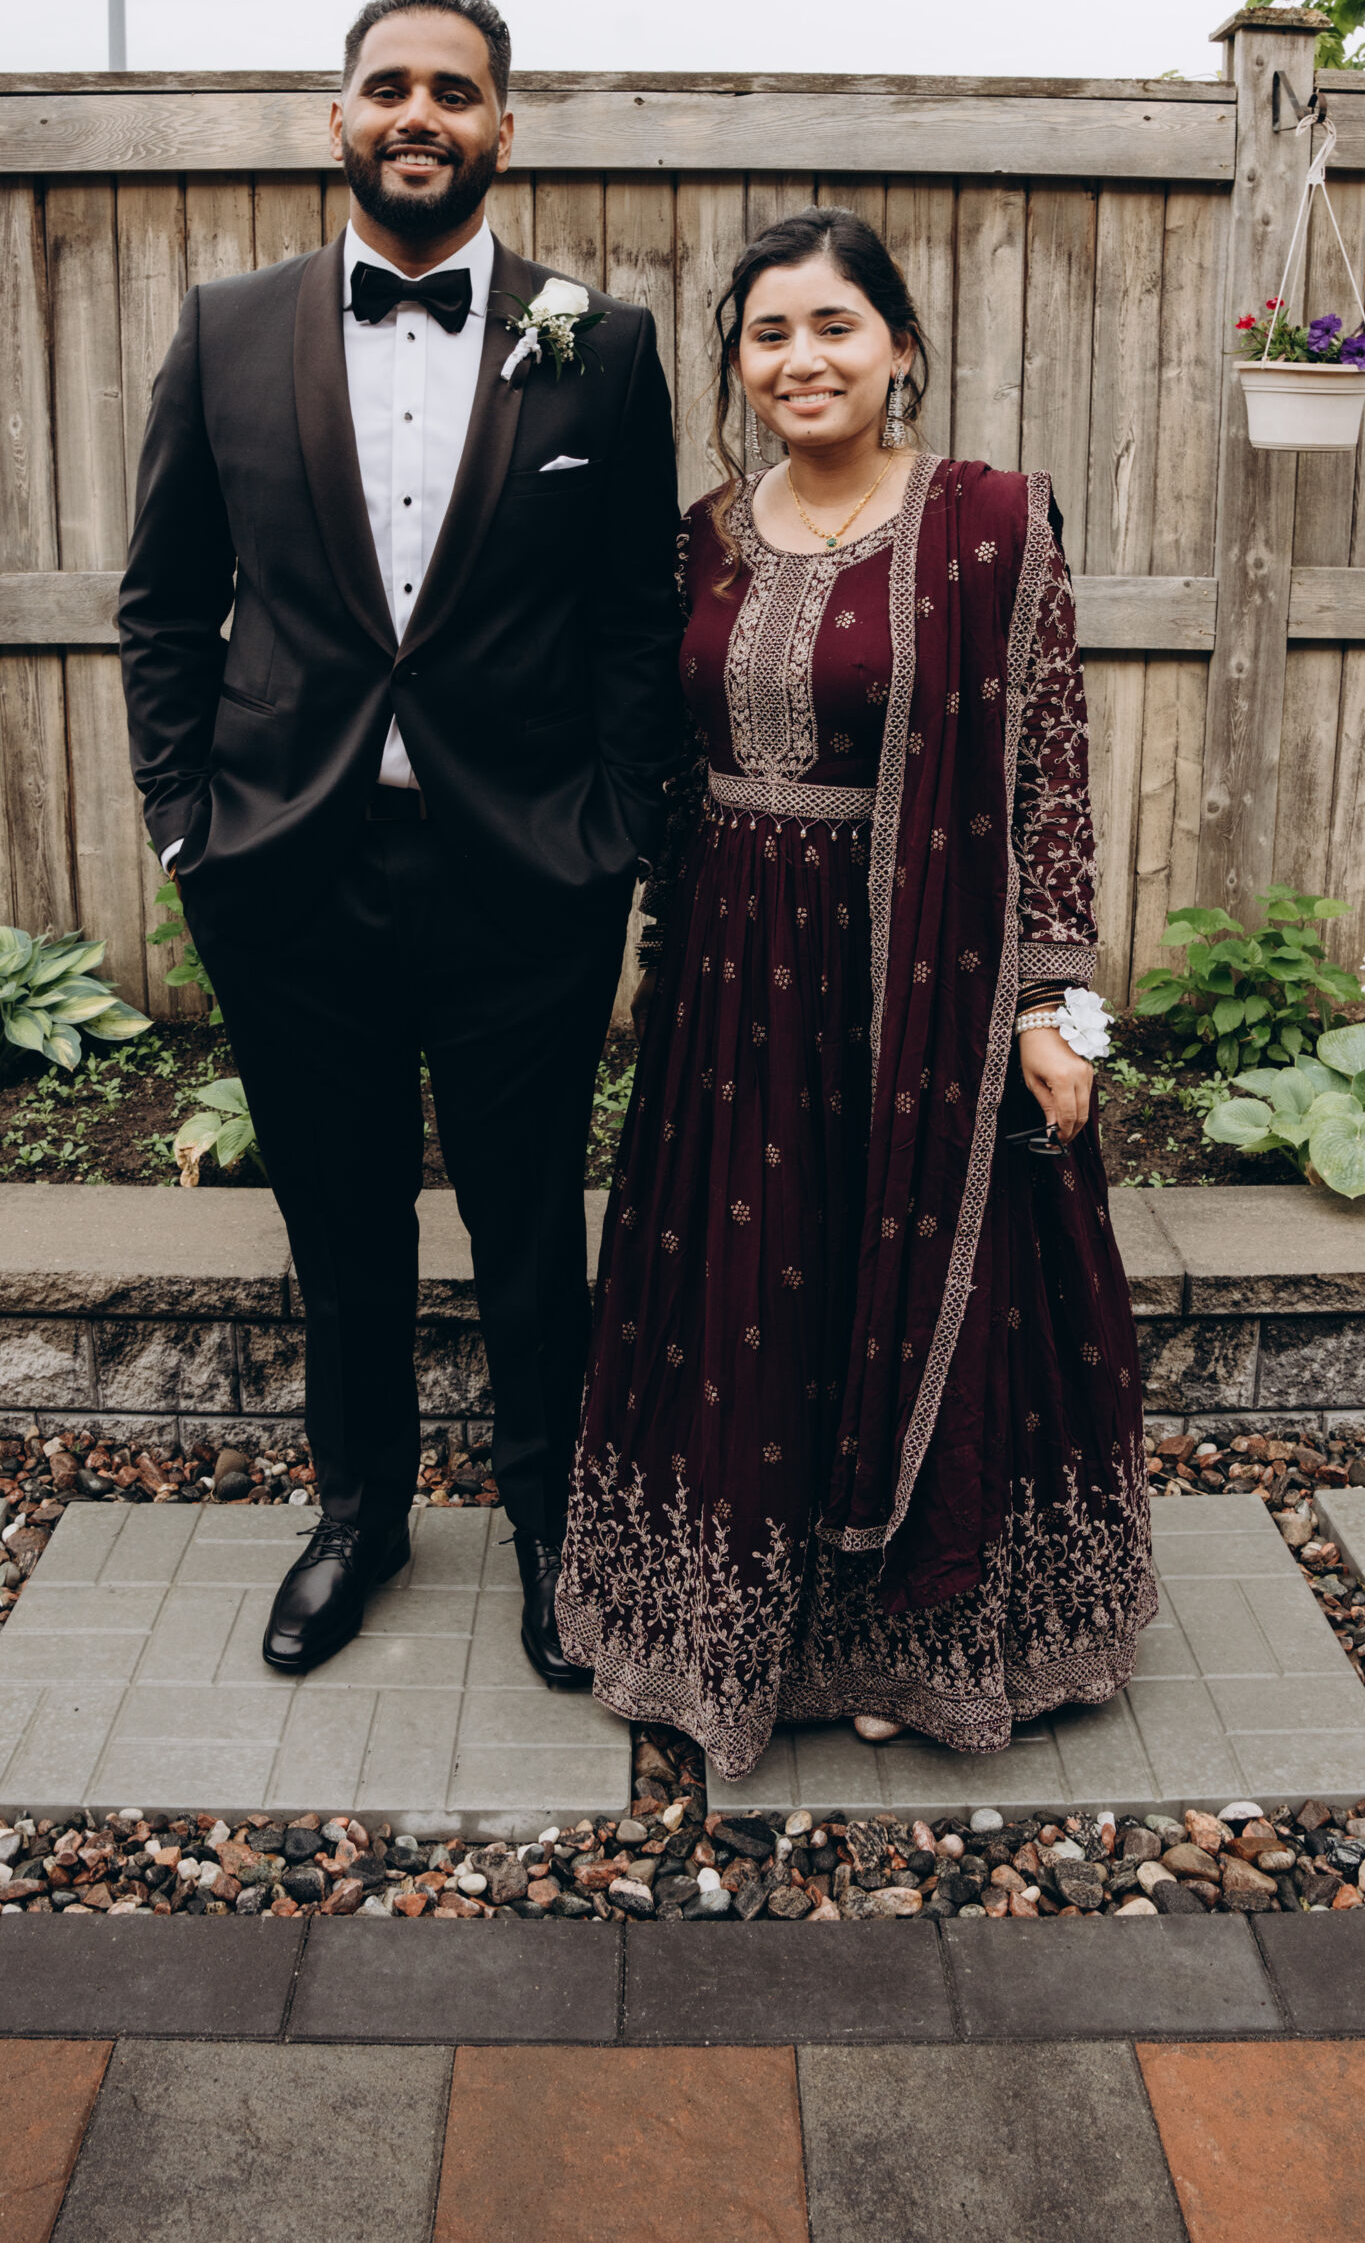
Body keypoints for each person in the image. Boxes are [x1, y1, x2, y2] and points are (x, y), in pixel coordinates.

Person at [118, 0, 681, 1687]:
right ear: (339, 117)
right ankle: (359, 1516)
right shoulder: (226, 330)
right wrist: (185, 822)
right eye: (388, 86)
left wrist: (617, 830)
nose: (416, 114)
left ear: (504, 124)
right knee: (340, 1224)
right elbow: (166, 602)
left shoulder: (603, 343)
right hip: (288, 868)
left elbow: (634, 618)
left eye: (452, 88)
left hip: (528, 873)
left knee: (531, 1226)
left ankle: (554, 1525)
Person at [557, 208, 1156, 1779]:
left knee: (928, 1292)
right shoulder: (701, 535)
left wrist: (1058, 1006)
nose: (801, 359)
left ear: (900, 344)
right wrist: (657, 975)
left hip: (929, 985)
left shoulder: (991, 523)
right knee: (757, 1302)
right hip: (734, 991)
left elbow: (1053, 775)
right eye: (769, 333)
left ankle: (921, 1640)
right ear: (737, 363)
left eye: (834, 325)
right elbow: (669, 775)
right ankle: (746, 1633)